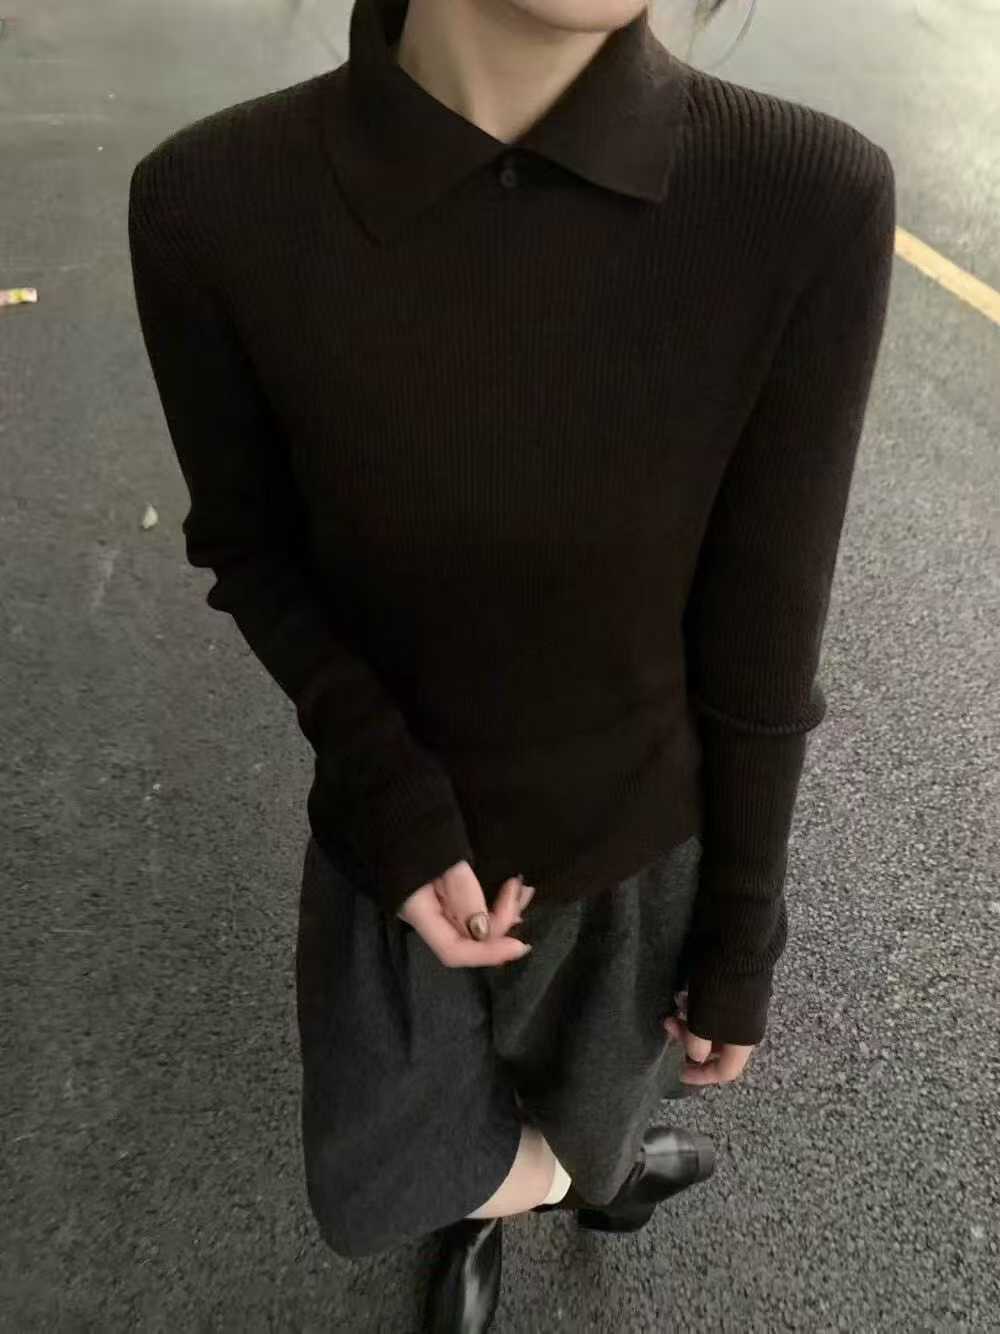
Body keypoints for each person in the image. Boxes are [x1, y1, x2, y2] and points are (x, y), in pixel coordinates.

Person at [127, 0, 895, 1327]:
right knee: (389, 1171)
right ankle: (539, 1186)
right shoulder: (213, 203)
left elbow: (765, 633)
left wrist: (743, 927)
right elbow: (253, 549)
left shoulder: (803, 196)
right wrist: (387, 789)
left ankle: (585, 1175)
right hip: (397, 835)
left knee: (604, 1110)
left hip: (641, 845)